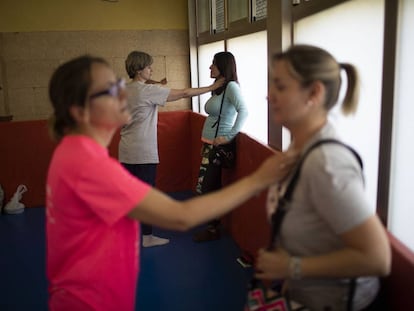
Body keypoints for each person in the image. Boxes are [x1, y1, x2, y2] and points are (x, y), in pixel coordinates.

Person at [45, 55, 296, 311]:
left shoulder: (72, 151)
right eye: (110, 90)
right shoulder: (90, 168)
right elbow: (181, 216)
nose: (122, 93)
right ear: (80, 112)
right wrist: (258, 180)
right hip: (89, 302)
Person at [255, 45, 391, 311]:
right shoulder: (299, 149)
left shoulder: (326, 163)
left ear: (314, 93)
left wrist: (292, 267)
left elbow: (377, 258)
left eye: (280, 87)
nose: (269, 96)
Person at [120, 51, 225, 247]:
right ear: (139, 69)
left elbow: (141, 90)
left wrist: (155, 82)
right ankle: (147, 237)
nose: (152, 69)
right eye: (149, 66)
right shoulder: (148, 92)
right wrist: (212, 86)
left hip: (125, 151)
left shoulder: (124, 89)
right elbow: (184, 93)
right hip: (143, 153)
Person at [193, 51, 248, 242]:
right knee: (210, 186)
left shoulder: (231, 87)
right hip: (209, 145)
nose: (210, 67)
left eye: (214, 64)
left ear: (223, 67)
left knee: (207, 187)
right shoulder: (219, 88)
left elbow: (244, 111)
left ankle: (213, 227)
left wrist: (228, 137)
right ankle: (212, 226)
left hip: (218, 146)